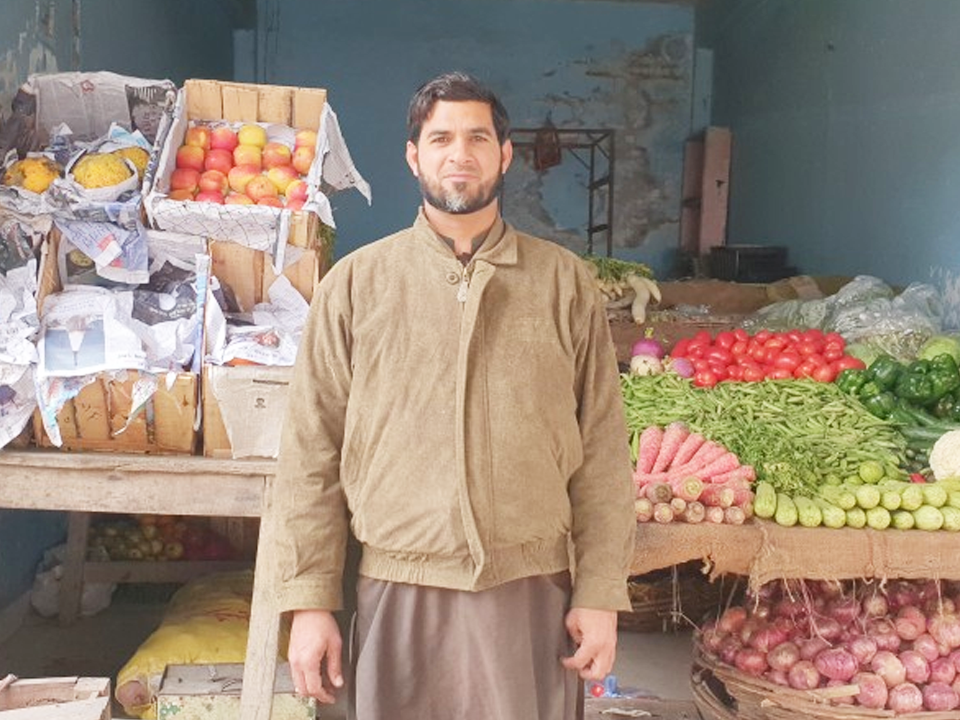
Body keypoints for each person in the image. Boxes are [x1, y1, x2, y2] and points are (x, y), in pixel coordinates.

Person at [264, 71, 636, 720]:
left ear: (505, 153)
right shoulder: (356, 285)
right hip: (395, 586)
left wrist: (600, 591)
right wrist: (309, 602)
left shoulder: (564, 285)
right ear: (414, 156)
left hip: (532, 590)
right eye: (440, 138)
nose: (458, 154)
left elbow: (604, 450)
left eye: (477, 137)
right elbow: (308, 456)